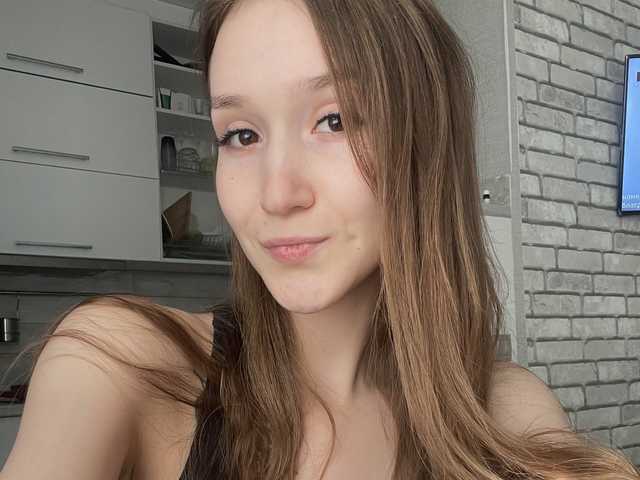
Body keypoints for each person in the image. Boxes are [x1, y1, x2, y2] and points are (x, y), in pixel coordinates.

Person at [1, 0, 639, 479]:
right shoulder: (121, 365)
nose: (277, 194)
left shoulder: (507, 411)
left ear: (425, 148)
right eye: (242, 135)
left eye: (333, 120)